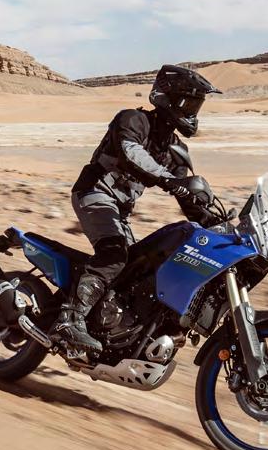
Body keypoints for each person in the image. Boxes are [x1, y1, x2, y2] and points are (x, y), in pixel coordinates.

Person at [54, 64, 222, 352]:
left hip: (120, 211)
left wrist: (218, 223)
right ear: (168, 98)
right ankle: (69, 320)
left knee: (139, 270)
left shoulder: (175, 150)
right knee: (115, 254)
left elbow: (189, 200)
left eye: (197, 105)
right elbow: (131, 154)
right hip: (95, 193)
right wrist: (169, 179)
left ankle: (111, 329)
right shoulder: (133, 120)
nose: (193, 111)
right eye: (189, 103)